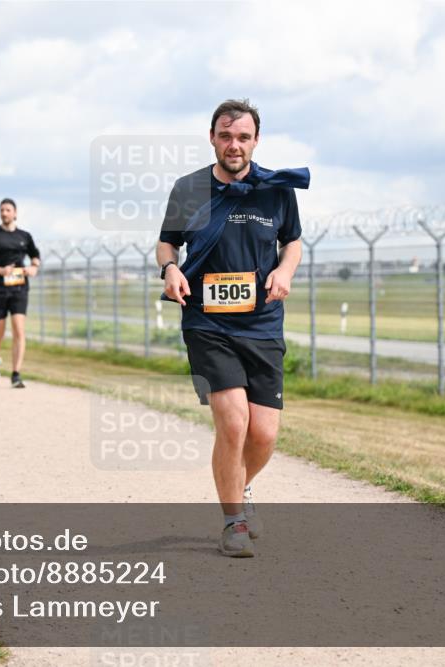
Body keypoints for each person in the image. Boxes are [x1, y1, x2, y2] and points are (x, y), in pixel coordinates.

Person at [156, 99, 309, 557]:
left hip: (262, 325)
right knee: (234, 421)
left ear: (255, 141)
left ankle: (238, 489)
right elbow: (168, 242)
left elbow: (293, 241)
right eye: (226, 136)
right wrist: (170, 270)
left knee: (264, 433)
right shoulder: (189, 188)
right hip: (207, 323)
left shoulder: (277, 189)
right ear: (212, 138)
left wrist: (285, 272)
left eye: (243, 137)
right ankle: (233, 523)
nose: (234, 145)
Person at [0, 198, 41, 388]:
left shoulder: (25, 236)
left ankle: (16, 374)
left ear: (15, 213)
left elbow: (35, 255)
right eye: (2, 210)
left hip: (19, 287)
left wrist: (34, 267)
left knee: (19, 329)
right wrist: (0, 270)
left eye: (8, 210)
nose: (4, 213)